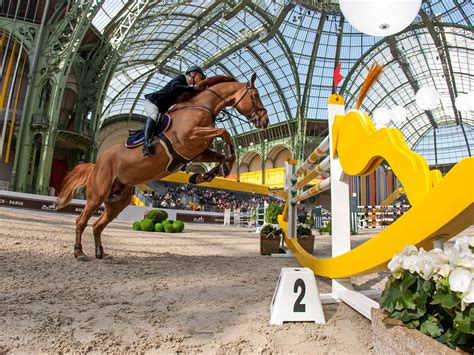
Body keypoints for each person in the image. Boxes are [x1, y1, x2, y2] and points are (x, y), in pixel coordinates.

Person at [142, 65, 206, 156]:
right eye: (200, 77)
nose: (201, 79)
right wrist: (193, 88)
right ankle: (146, 144)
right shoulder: (181, 78)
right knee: (154, 116)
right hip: (153, 103)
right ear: (192, 74)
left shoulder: (187, 87)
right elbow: (175, 87)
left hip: (163, 109)